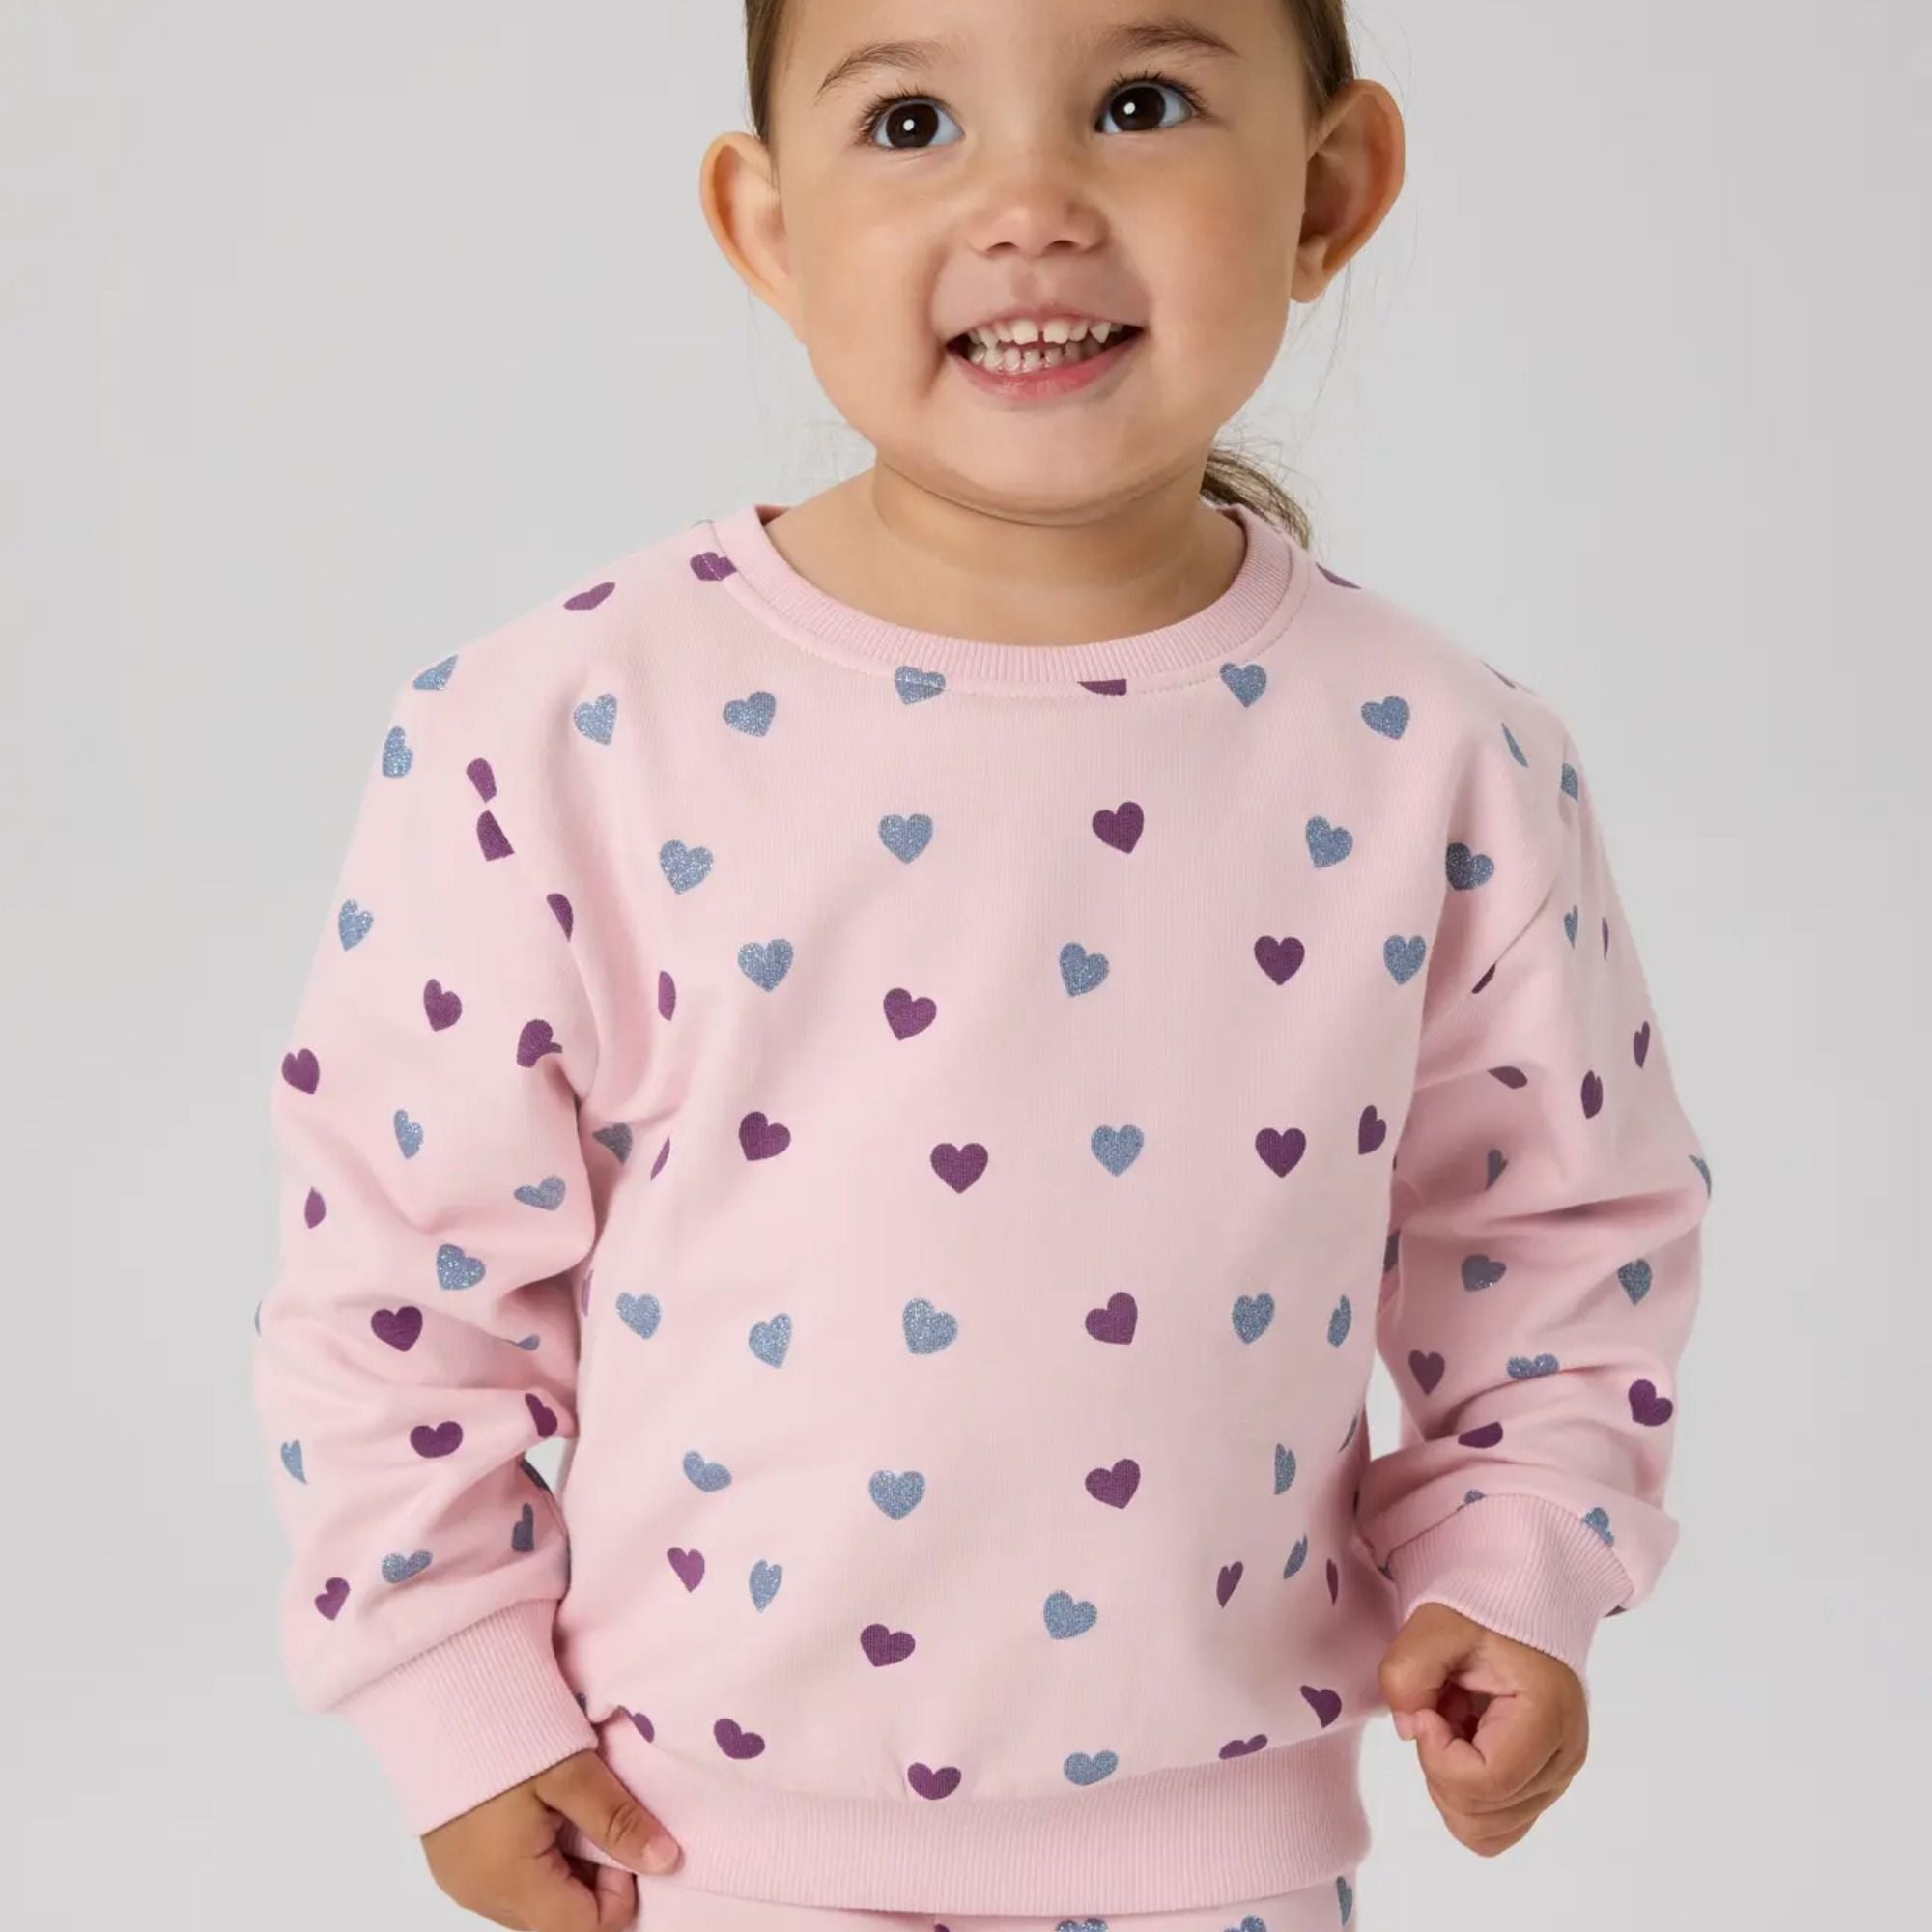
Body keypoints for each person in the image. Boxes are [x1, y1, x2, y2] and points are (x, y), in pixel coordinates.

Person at [252, 3, 1713, 1928]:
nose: (1032, 205)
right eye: (913, 120)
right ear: (769, 226)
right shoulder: (558, 733)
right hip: (688, 1849)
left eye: (1140, 102)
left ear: (1328, 190)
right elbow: (402, 1277)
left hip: (1226, 1856)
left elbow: (1557, 1234)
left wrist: (1515, 1565)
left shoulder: (1442, 754)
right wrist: (453, 1696)